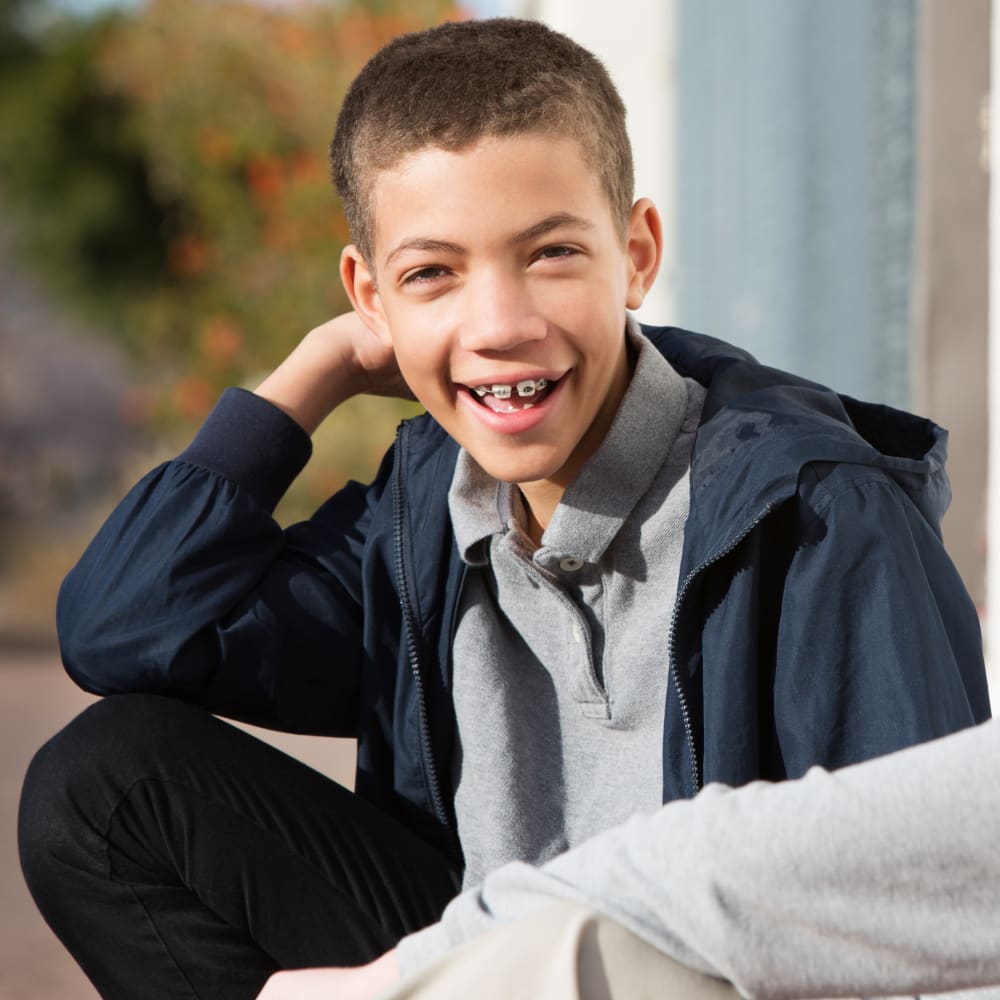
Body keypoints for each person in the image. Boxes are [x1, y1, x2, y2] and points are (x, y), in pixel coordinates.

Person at [18, 16, 990, 1000]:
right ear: (370, 297)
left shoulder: (813, 511)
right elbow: (126, 625)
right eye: (431, 273)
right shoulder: (427, 507)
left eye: (551, 254)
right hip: (461, 963)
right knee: (101, 787)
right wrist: (316, 374)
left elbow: (940, 890)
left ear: (637, 252)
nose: (498, 326)